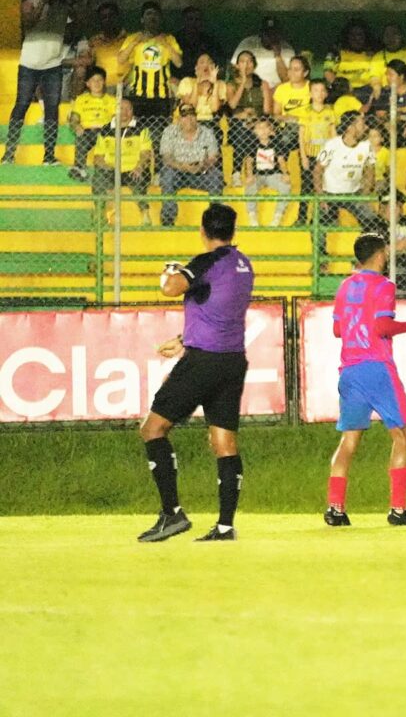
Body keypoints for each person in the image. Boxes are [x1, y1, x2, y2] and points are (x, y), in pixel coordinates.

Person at [137, 203, 254, 543]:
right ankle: (225, 526)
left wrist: (168, 272)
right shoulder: (243, 264)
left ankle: (172, 514)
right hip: (232, 359)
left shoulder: (207, 261)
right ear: (233, 231)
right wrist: (184, 339)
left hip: (204, 361)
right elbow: (219, 309)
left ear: (202, 232)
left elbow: (171, 288)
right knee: (224, 441)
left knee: (153, 429)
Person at [325, 232, 406, 528]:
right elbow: (382, 325)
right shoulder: (385, 286)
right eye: (385, 252)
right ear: (379, 255)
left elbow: (337, 330)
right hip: (377, 368)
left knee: (349, 440)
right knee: (402, 435)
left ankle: (335, 508)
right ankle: (398, 510)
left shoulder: (345, 286)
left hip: (349, 370)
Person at [5, 0, 73, 165]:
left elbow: (79, 21)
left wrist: (66, 3)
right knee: (21, 105)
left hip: (53, 64)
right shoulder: (30, 3)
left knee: (52, 109)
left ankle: (49, 155)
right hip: (29, 64)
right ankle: (9, 154)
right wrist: (43, 1)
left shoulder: (62, 4)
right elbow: (29, 23)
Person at [118, 1, 182, 158]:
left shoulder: (169, 38)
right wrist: (135, 42)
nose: (152, 17)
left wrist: (165, 44)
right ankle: (137, 165)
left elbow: (178, 62)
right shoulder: (133, 38)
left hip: (161, 96)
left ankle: (158, 170)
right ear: (141, 19)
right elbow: (121, 59)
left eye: (155, 14)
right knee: (137, 132)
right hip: (138, 95)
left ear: (160, 18)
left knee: (158, 134)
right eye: (148, 14)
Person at [315, 112, 387, 242]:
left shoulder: (366, 146)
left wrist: (365, 194)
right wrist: (321, 196)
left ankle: (363, 256)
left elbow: (370, 170)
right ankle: (321, 259)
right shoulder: (332, 145)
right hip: (330, 194)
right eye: (361, 123)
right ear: (350, 127)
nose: (365, 127)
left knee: (373, 223)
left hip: (354, 193)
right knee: (317, 228)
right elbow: (318, 170)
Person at [89, 98, 153, 226]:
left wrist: (139, 167)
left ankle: (145, 213)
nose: (125, 112)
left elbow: (146, 153)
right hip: (111, 169)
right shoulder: (105, 129)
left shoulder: (141, 128)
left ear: (132, 111)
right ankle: (100, 214)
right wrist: (107, 167)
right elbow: (98, 157)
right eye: (121, 109)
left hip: (132, 169)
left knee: (139, 178)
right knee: (99, 177)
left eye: (128, 109)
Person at [159, 104, 222, 227]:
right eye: (185, 116)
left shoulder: (207, 132)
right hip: (177, 171)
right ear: (179, 119)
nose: (189, 119)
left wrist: (203, 165)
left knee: (216, 176)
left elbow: (213, 156)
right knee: (167, 174)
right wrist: (182, 166)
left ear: (196, 117)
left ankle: (214, 218)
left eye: (192, 115)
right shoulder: (169, 131)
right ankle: (168, 218)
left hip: (201, 172)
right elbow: (166, 157)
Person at [228, 50, 275, 184]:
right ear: (237, 65)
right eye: (242, 61)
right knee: (241, 129)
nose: (246, 65)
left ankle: (259, 172)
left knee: (258, 130)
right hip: (239, 122)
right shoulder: (231, 84)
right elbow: (232, 105)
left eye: (249, 61)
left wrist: (255, 120)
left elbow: (267, 110)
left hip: (259, 121)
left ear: (254, 65)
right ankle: (236, 172)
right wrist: (242, 82)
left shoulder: (262, 84)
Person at [298, 79, 337, 225]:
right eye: (315, 90)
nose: (319, 94)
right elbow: (301, 136)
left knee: (327, 186)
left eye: (322, 90)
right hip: (310, 154)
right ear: (310, 93)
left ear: (326, 93)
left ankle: (329, 216)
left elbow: (333, 134)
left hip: (326, 156)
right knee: (306, 186)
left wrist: (334, 154)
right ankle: (302, 217)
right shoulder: (305, 111)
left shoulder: (330, 111)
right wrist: (303, 156)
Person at [242, 117, 292, 227]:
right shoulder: (252, 143)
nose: (263, 131)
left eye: (266, 127)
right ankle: (252, 215)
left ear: (271, 130)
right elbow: (249, 162)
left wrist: (285, 174)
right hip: (258, 175)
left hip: (273, 174)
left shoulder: (276, 143)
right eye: (259, 128)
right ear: (255, 131)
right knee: (250, 186)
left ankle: (278, 216)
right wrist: (250, 176)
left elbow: (281, 160)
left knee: (286, 185)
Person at [68, 66, 116, 181]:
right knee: (81, 137)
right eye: (93, 80)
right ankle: (80, 168)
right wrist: (76, 125)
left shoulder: (112, 100)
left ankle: (107, 170)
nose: (97, 83)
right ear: (88, 83)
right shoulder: (80, 99)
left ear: (104, 82)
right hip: (87, 131)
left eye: (100, 80)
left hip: (106, 131)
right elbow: (74, 118)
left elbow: (115, 118)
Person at [231, 16, 294, 88]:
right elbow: (234, 69)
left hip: (279, 90)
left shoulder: (287, 50)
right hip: (253, 88)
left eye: (273, 33)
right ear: (261, 34)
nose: (270, 37)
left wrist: (278, 55)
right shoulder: (248, 43)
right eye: (267, 34)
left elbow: (286, 79)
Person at [325, 18, 376, 103]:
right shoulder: (337, 51)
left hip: (366, 93)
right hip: (343, 92)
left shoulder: (372, 53)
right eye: (352, 35)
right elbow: (328, 72)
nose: (356, 39)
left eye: (359, 35)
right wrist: (341, 88)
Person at [175, 53, 227, 125]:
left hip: (213, 124)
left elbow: (215, 108)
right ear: (196, 67)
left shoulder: (220, 84)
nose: (206, 66)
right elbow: (191, 107)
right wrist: (197, 83)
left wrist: (215, 84)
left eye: (210, 63)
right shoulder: (187, 82)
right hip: (191, 123)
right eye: (202, 62)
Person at [88, 1, 126, 92]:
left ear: (118, 17)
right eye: (104, 17)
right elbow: (88, 63)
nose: (108, 20)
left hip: (125, 87)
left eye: (111, 16)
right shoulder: (94, 42)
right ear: (100, 21)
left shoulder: (129, 39)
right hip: (101, 88)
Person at [177, 6, 223, 81]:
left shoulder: (210, 42)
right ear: (184, 21)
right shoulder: (175, 40)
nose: (193, 23)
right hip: (180, 83)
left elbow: (219, 65)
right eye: (190, 19)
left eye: (197, 20)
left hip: (205, 82)